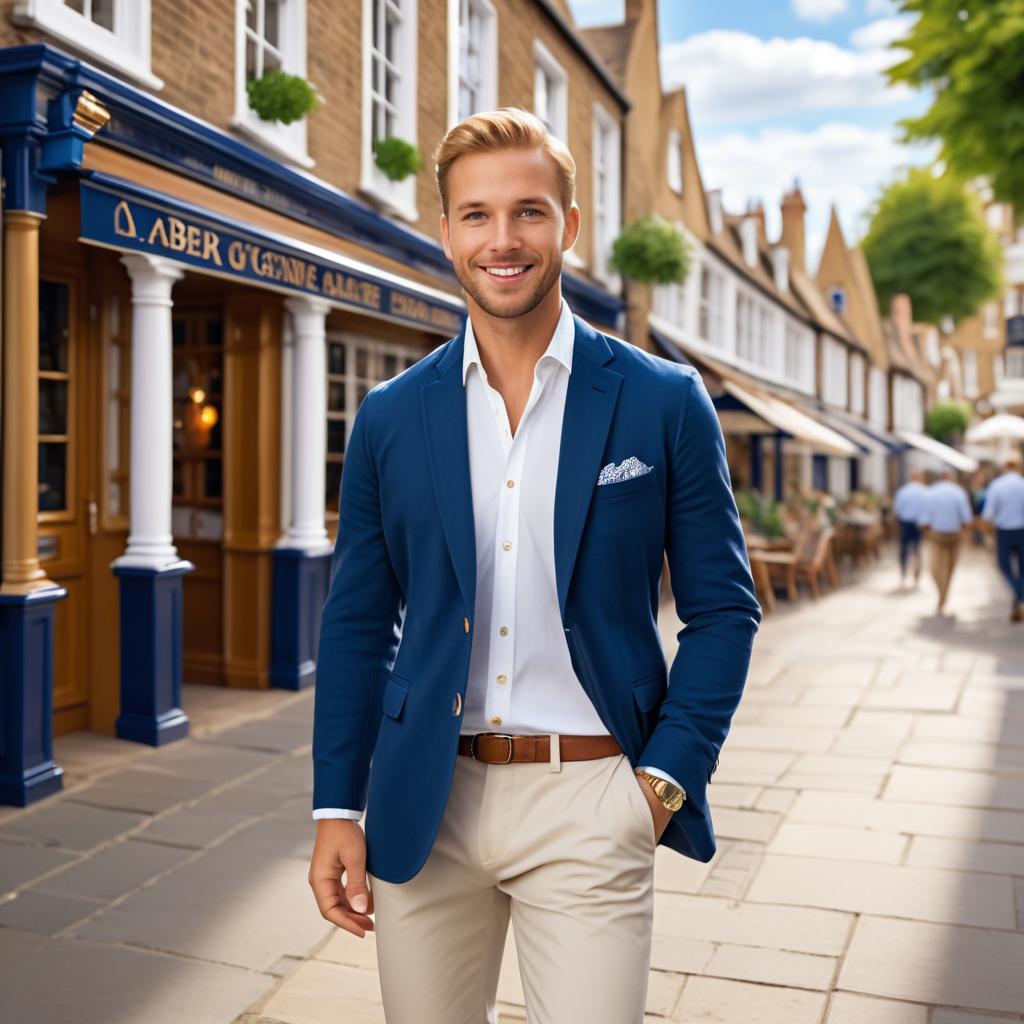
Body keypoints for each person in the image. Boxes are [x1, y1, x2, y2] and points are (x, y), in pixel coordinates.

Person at [306, 107, 762, 1023]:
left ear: (569, 227)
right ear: (445, 231)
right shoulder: (391, 416)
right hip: (423, 806)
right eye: (475, 215)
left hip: (592, 795)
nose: (502, 239)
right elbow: (359, 621)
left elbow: (724, 611)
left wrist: (662, 783)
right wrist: (334, 807)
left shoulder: (663, 401)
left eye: (529, 212)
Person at [918, 467, 974, 616]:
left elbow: (924, 518)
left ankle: (942, 594)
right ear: (951, 478)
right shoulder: (958, 492)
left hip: (937, 535)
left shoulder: (931, 492)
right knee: (949, 568)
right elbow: (967, 518)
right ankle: (944, 594)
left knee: (935, 568)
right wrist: (967, 535)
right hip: (954, 534)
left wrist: (925, 532)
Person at [980, 455, 1024, 621]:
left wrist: (987, 536)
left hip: (1004, 532)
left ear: (1005, 468)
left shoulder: (997, 486)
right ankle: (1020, 598)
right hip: (1022, 532)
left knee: (1003, 566)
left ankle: (1018, 598)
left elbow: (988, 514)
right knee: (1022, 570)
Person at [892, 470, 928, 586]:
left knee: (904, 548)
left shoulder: (903, 491)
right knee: (917, 549)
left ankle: (903, 571)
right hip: (920, 523)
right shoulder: (925, 491)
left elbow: (897, 510)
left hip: (906, 522)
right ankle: (916, 574)